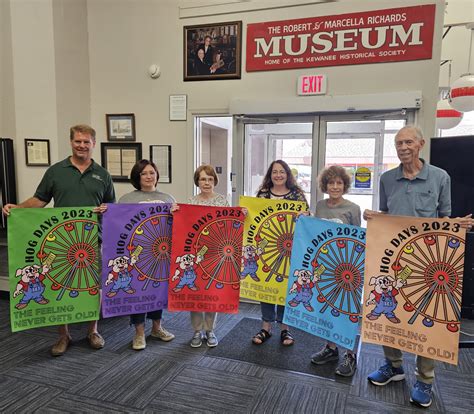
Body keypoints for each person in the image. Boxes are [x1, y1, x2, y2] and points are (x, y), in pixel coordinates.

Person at [364, 125, 473, 408]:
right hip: (392, 259)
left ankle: (425, 380)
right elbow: (386, 216)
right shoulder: (387, 179)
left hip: (428, 261)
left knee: (429, 320)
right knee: (389, 312)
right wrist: (374, 217)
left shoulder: (439, 177)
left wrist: (457, 225)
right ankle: (394, 366)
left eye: (408, 142)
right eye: (399, 143)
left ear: (421, 144)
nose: (403, 147)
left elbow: (445, 218)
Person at [2, 124, 115, 356]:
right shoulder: (55, 171)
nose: (82, 145)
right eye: (78, 141)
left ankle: (92, 331)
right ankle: (63, 334)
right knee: (59, 285)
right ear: (71, 142)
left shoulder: (103, 175)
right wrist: (18, 208)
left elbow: (111, 206)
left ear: (94, 144)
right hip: (60, 240)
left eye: (86, 142)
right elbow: (40, 200)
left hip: (92, 240)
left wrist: (107, 210)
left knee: (92, 287)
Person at [118, 160, 176, 351]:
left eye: (152, 173)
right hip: (136, 254)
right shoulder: (126, 199)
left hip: (160, 253)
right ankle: (139, 333)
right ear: (137, 177)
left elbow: (176, 224)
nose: (149, 177)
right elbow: (118, 225)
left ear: (157, 176)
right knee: (138, 292)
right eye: (144, 173)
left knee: (156, 289)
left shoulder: (168, 198)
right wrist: (106, 211)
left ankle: (157, 328)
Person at [309, 165, 361, 377]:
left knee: (347, 311)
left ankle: (350, 354)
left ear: (345, 185)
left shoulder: (353, 208)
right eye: (331, 183)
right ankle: (331, 348)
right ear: (325, 185)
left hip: (347, 266)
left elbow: (358, 239)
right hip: (326, 265)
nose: (335, 186)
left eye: (339, 183)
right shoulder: (320, 205)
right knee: (327, 307)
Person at [251, 160, 309, 346]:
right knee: (265, 287)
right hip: (267, 248)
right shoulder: (263, 194)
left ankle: (286, 329)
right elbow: (254, 216)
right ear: (270, 174)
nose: (278, 175)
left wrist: (306, 215)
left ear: (287, 174)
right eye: (274, 172)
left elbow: (308, 216)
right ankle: (265, 327)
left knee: (286, 287)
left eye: (281, 172)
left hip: (290, 248)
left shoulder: (297, 195)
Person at [174, 165, 228, 348]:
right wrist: (176, 212)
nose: (207, 182)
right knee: (195, 292)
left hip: (214, 253)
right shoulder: (191, 201)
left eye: (210, 179)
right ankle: (197, 330)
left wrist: (241, 213)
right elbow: (185, 226)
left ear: (215, 181)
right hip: (194, 253)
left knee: (212, 293)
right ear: (197, 181)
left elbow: (228, 225)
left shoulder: (223, 201)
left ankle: (210, 330)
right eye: (203, 179)